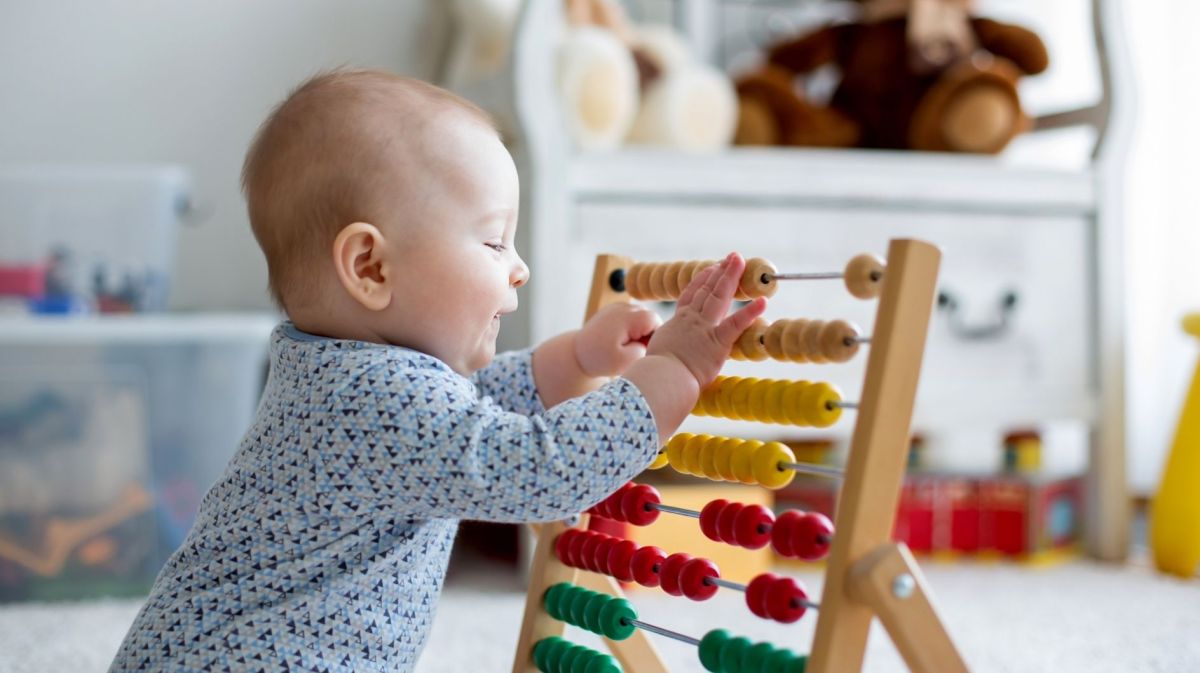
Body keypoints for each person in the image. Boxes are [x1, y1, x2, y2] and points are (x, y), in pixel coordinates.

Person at [109, 69, 765, 673]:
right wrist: (671, 371)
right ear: (370, 267)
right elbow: (537, 470)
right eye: (492, 241)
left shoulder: (344, 372)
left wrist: (577, 359)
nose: (519, 266)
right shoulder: (377, 396)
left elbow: (469, 406)